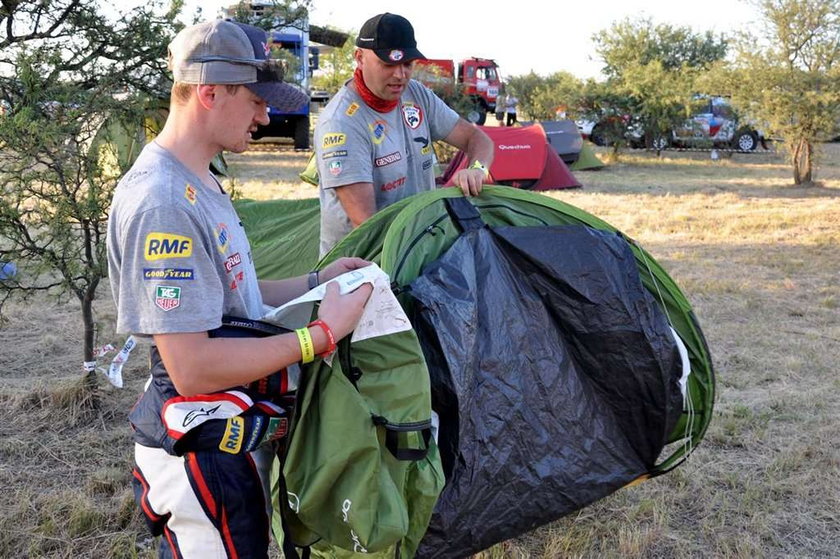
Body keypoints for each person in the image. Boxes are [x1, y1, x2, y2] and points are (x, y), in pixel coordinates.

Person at [106, 20, 373, 558]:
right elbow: (193, 367)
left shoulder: (199, 177)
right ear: (209, 93)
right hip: (200, 450)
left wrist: (318, 281)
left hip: (231, 433)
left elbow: (234, 296)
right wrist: (319, 336)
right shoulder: (162, 202)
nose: (266, 115)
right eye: (255, 100)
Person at [315, 12, 495, 256]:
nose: (400, 75)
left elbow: (477, 139)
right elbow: (368, 225)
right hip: (364, 266)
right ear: (360, 58)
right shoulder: (342, 123)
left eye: (407, 64)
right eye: (388, 64)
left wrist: (477, 169)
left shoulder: (416, 95)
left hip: (415, 249)